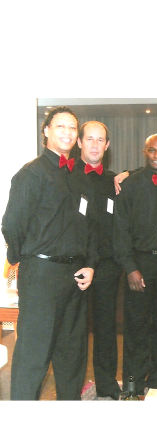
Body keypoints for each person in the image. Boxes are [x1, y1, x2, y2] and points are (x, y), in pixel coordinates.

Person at [2, 106, 97, 400]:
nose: (67, 132)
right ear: (46, 131)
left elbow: (89, 227)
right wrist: (29, 259)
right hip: (41, 276)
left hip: (75, 277)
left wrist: (90, 264)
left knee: (72, 357)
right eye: (60, 126)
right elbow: (11, 225)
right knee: (34, 355)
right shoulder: (31, 173)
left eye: (72, 128)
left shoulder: (79, 176)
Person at [113, 134, 157, 396]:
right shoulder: (131, 184)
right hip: (139, 264)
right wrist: (130, 267)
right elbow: (120, 230)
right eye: (152, 150)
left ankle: (156, 377)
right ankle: (132, 380)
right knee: (136, 326)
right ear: (145, 152)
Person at [76, 121, 123, 400]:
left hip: (106, 265)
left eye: (100, 140)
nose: (95, 145)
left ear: (107, 145)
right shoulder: (68, 177)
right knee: (75, 330)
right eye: (90, 139)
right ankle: (73, 385)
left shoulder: (114, 181)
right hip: (75, 264)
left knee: (106, 328)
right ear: (80, 142)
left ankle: (106, 384)